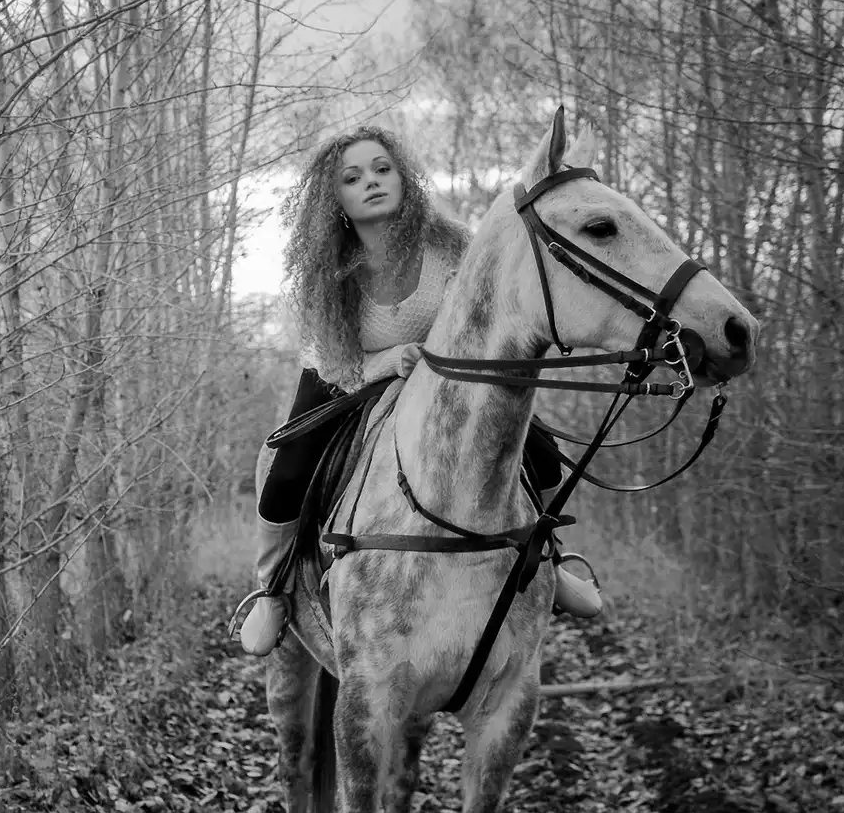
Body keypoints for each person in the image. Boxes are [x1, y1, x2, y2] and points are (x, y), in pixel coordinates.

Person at [235, 125, 602, 656]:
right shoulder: (327, 269)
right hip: (345, 371)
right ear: (333, 197)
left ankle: (553, 555)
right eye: (353, 177)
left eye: (382, 169)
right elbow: (334, 356)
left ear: (403, 176)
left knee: (541, 448)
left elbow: (487, 312)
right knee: (289, 465)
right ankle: (272, 588)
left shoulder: (452, 241)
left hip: (446, 373)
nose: (372, 182)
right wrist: (391, 360)